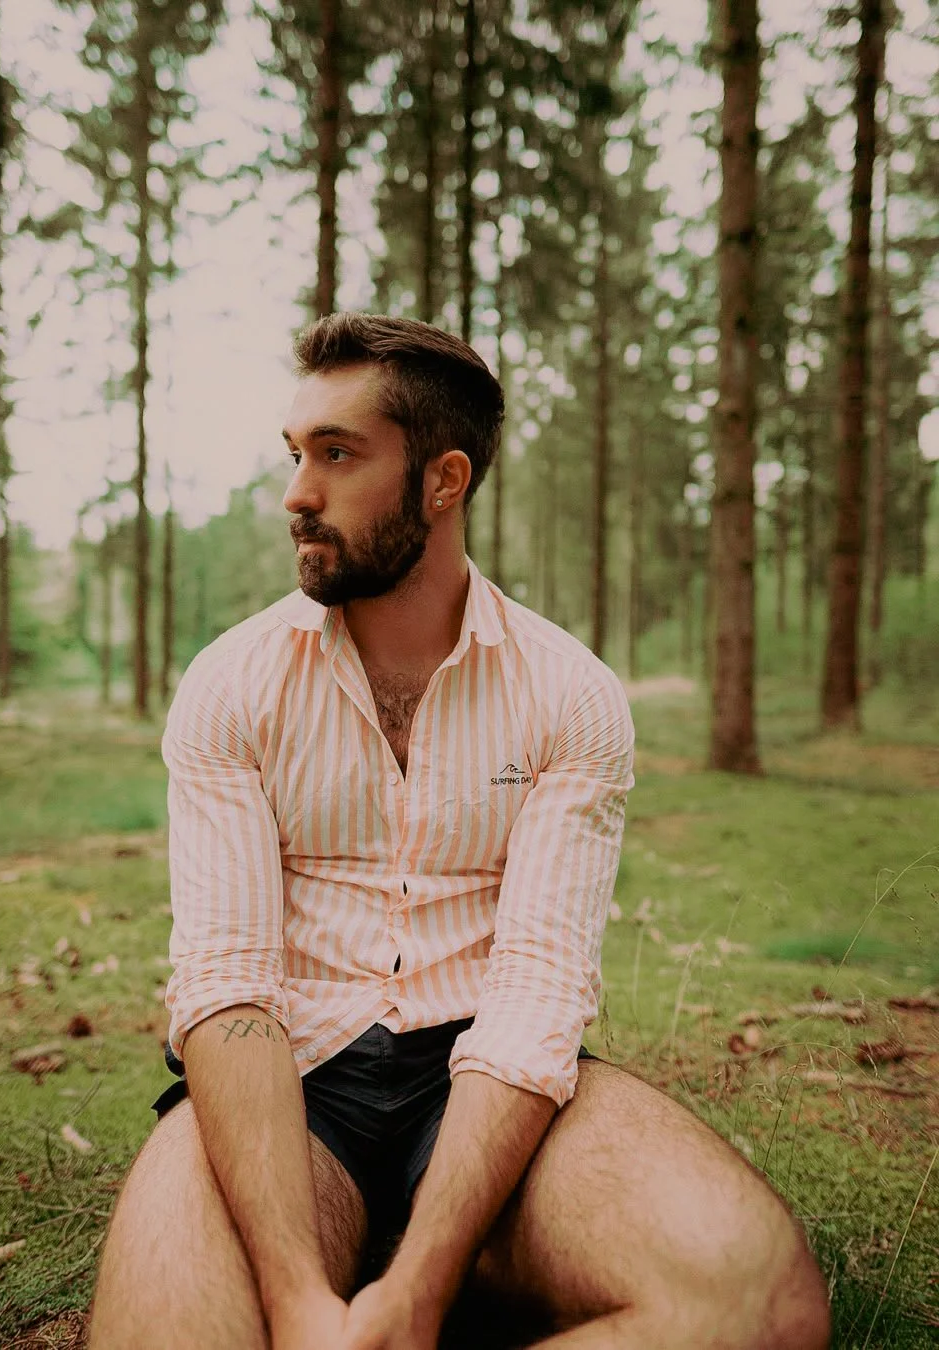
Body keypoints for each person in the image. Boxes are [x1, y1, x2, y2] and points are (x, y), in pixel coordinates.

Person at [88, 313, 830, 1350]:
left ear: (444, 482)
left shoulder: (570, 695)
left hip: (495, 1090)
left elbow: (537, 993)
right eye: (296, 455)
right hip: (290, 1093)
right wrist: (298, 1295)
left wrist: (423, 1283)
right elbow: (228, 987)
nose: (297, 493)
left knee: (761, 1306)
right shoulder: (231, 686)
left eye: (338, 456)